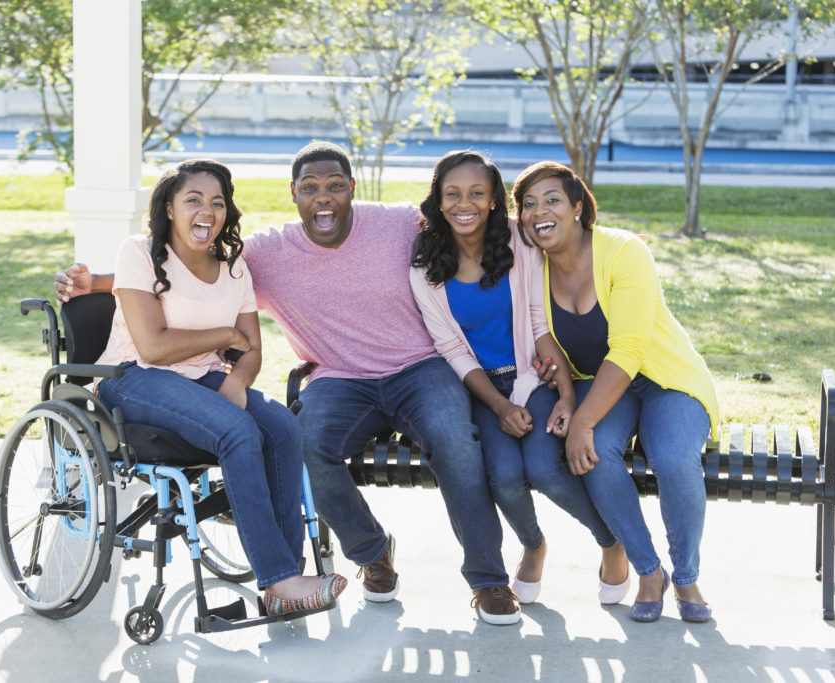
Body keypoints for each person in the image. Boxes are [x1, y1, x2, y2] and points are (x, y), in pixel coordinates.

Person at [55, 142, 521, 625]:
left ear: (352, 189)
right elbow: (164, 274)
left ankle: (488, 580)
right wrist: (94, 283)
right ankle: (360, 555)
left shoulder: (394, 224)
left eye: (336, 186)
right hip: (332, 378)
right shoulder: (261, 254)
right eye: (311, 188)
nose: (325, 198)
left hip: (417, 369)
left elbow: (472, 220)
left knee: (449, 441)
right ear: (293, 194)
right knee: (304, 441)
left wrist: (565, 241)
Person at [90, 159, 346, 616]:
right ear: (169, 207)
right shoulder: (139, 252)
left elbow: (252, 350)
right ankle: (280, 579)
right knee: (238, 431)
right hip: (131, 378)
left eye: (217, 202)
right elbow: (154, 346)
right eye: (193, 200)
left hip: (205, 378)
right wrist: (224, 337)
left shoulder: (233, 267)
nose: (206, 211)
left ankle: (286, 575)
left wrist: (238, 381)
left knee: (284, 428)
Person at [409, 150, 630, 606]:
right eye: (452, 194)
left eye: (476, 193)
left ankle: (610, 542)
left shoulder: (517, 242)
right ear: (438, 199)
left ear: (493, 200)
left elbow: (538, 323)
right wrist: (499, 406)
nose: (463, 203)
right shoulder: (424, 266)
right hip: (483, 393)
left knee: (546, 469)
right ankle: (533, 544)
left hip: (533, 380)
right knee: (505, 478)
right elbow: (451, 349)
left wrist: (566, 395)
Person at [512, 161, 720, 623]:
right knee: (593, 454)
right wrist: (570, 402)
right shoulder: (533, 268)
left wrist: (583, 420)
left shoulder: (624, 250)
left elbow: (629, 347)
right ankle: (649, 571)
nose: (538, 212)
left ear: (579, 206)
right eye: (527, 204)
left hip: (666, 378)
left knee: (671, 457)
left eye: (552, 200)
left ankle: (686, 577)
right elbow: (545, 341)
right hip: (603, 383)